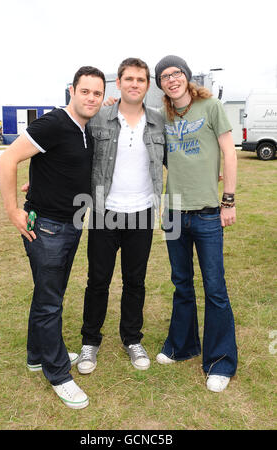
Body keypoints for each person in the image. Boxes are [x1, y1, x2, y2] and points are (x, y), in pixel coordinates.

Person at [0, 66, 105, 409]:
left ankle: (36, 355)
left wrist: (41, 181)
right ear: (71, 91)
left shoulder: (83, 129)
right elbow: (7, 158)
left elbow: (62, 167)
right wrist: (13, 210)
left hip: (70, 224)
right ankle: (58, 373)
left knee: (49, 295)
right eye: (85, 91)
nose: (91, 98)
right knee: (50, 303)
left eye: (97, 93)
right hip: (46, 228)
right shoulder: (55, 123)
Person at [154, 55, 238, 393]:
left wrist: (228, 199)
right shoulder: (161, 116)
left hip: (206, 213)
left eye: (176, 73)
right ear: (160, 84)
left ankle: (220, 362)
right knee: (181, 283)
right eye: (164, 76)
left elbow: (228, 151)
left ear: (187, 77)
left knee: (215, 288)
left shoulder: (211, 106)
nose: (171, 79)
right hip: (173, 213)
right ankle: (183, 345)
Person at [77, 58, 165, 374]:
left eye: (140, 80)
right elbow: (72, 148)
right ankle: (90, 342)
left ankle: (132, 338)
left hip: (142, 213)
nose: (134, 84)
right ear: (119, 81)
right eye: (129, 79)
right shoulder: (99, 117)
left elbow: (174, 159)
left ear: (147, 84)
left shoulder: (158, 121)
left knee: (135, 281)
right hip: (104, 212)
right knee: (98, 280)